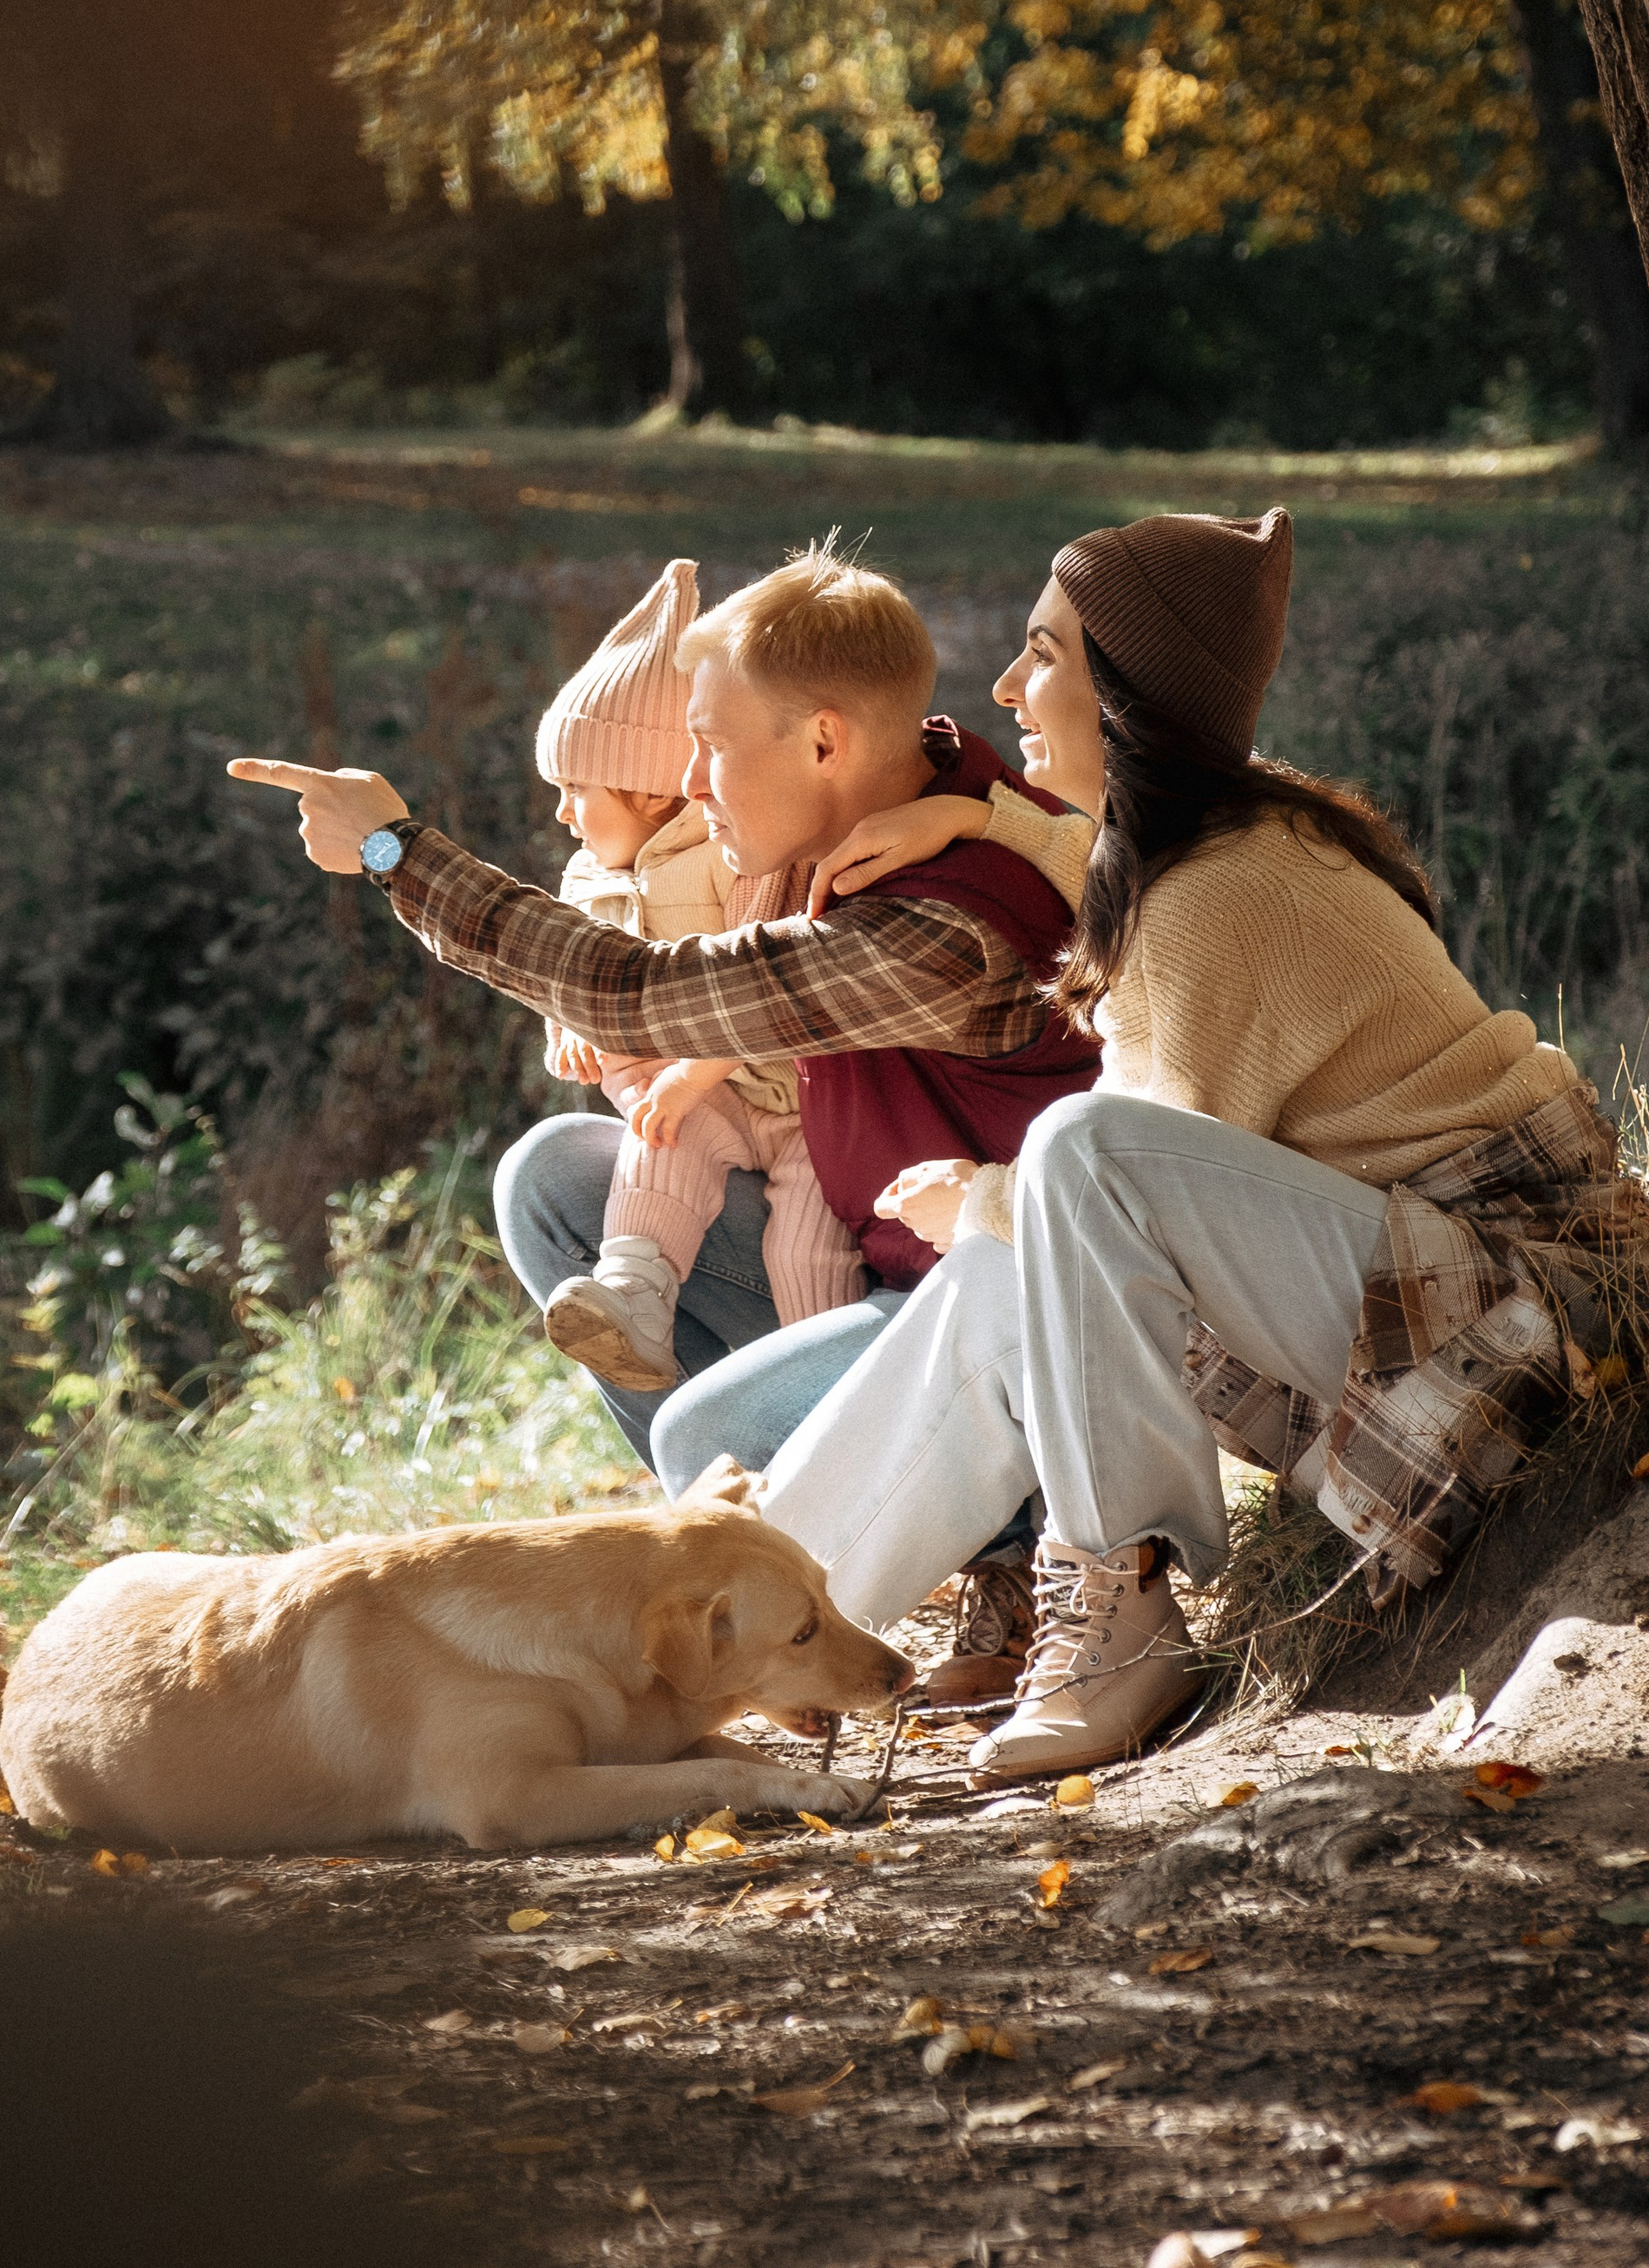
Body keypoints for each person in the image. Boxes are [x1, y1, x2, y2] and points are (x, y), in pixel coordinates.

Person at [751, 505, 1649, 1777]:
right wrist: (985, 827)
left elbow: (1131, 1180)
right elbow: (1134, 1198)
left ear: (1128, 701)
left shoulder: (1219, 890)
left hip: (1523, 1320)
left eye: (1043, 656)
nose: (1004, 687)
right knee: (1007, 1262)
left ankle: (1124, 1607)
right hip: (1418, 1299)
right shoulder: (1206, 850)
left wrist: (982, 1197)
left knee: (1071, 1167)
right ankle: (746, 1628)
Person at [227, 542, 1100, 1701]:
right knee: (556, 1181)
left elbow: (635, 991)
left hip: (1000, 1308)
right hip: (875, 1258)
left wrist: (397, 851)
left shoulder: (938, 925)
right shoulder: (895, 801)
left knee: (702, 1446)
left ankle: (999, 1562)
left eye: (715, 747)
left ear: (826, 741)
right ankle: (848, 1569)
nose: (689, 786)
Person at [529, 556, 864, 1393]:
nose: (563, 813)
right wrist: (566, 1025)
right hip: (703, 1099)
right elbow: (566, 967)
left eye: (578, 789)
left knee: (807, 1241)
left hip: (797, 1096)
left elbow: (765, 982)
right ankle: (635, 1296)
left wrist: (687, 1075)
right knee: (660, 1148)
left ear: (648, 793)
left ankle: (830, 1376)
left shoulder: (724, 856)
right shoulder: (588, 878)